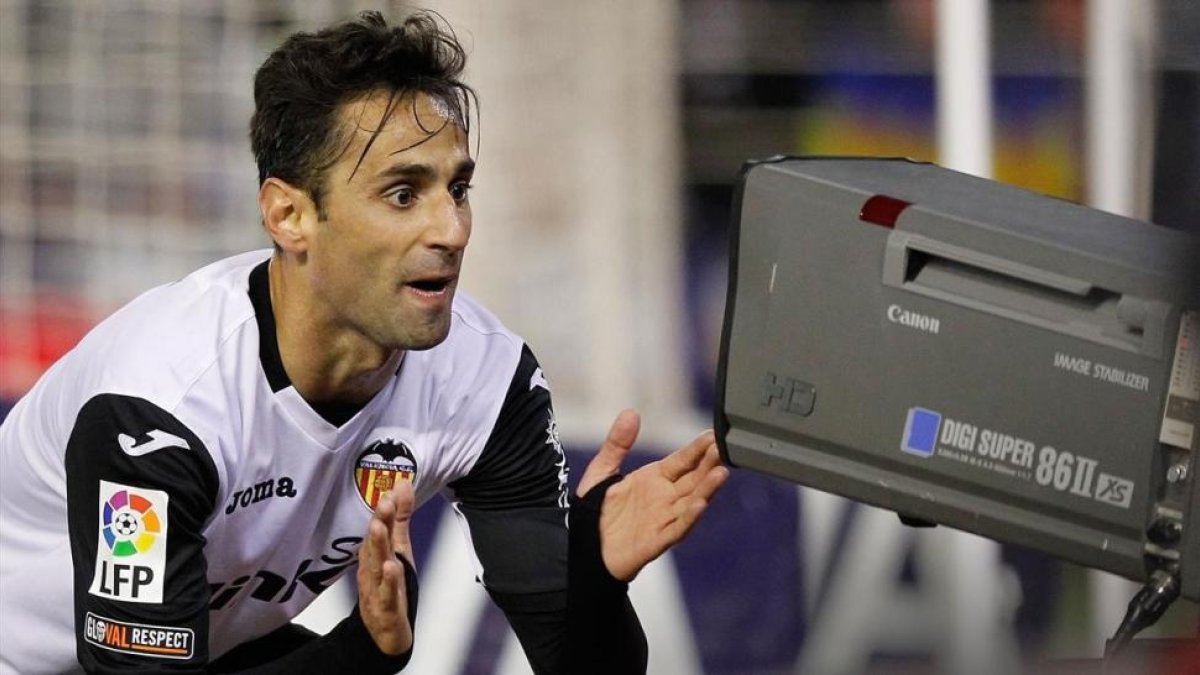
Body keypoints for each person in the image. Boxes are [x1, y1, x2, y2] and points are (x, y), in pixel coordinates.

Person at [0, 11, 728, 675]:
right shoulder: (162, 407)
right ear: (289, 215)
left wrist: (595, 579)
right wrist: (360, 653)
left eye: (458, 188)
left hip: (212, 644)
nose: (451, 230)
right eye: (404, 193)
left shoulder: (486, 378)